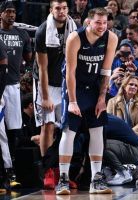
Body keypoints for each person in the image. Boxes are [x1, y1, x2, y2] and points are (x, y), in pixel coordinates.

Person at [56, 7, 118, 195]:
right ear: (89, 22)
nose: (102, 26)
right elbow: (70, 73)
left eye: (105, 22)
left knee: (97, 130)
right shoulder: (75, 38)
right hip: (75, 86)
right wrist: (73, 101)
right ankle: (63, 179)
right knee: (70, 131)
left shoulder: (111, 38)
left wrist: (102, 98)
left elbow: (106, 71)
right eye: (98, 22)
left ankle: (96, 180)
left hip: (95, 86)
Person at [34, 0, 77, 189]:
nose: (61, 11)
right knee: (48, 126)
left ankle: (63, 172)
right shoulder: (43, 31)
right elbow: (42, 69)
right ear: (51, 10)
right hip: (46, 84)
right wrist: (45, 97)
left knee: (67, 129)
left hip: (64, 82)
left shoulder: (74, 28)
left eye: (64, 8)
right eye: (57, 8)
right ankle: (48, 170)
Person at [0, 1, 32, 189]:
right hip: (1, 85)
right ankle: (6, 171)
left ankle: (11, 170)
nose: (12, 15)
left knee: (13, 130)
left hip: (12, 85)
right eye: (8, 12)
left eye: (13, 12)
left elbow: (29, 58)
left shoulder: (22, 34)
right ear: (1, 14)